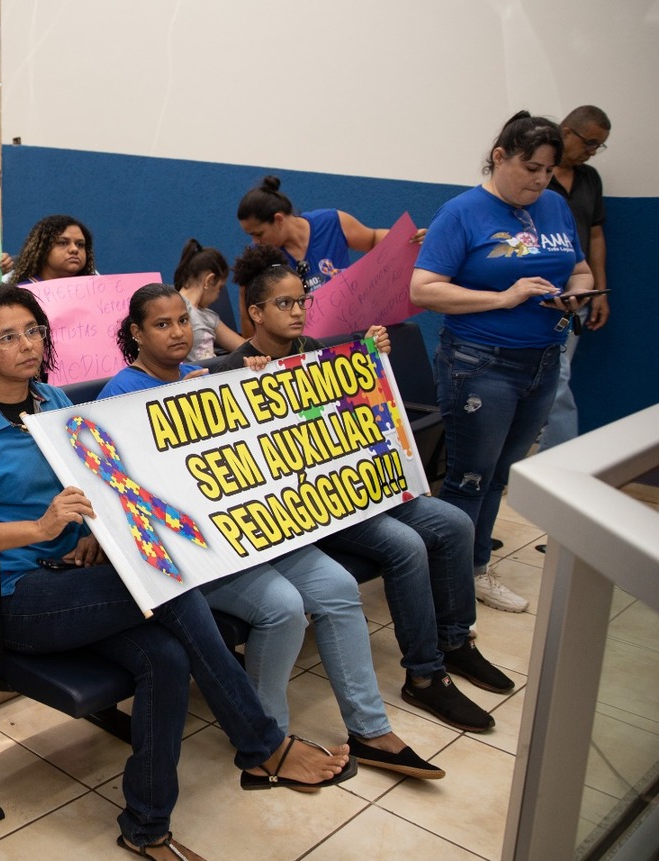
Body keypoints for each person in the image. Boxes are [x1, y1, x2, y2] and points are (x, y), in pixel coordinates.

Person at [0, 281, 353, 857]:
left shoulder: (53, 403)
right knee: (171, 587)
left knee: (166, 657)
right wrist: (41, 529)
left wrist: (95, 535)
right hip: (14, 598)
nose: (25, 344)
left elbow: (99, 485)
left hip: (76, 576)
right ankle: (261, 744)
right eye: (6, 337)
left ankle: (146, 827)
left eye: (32, 330)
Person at [100, 283, 452, 773]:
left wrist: (256, 389)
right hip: (195, 551)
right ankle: (269, 741)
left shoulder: (201, 375)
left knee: (339, 586)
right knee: (283, 606)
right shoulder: (118, 395)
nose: (178, 332)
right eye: (162, 324)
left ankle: (371, 730)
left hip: (251, 529)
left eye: (183, 320)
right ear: (137, 333)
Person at [215, 246, 513, 728]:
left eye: (301, 302)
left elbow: (358, 418)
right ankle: (424, 675)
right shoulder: (231, 371)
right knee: (406, 545)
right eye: (283, 304)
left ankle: (455, 641)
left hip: (360, 488)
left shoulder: (317, 354)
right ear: (254, 312)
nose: (297, 312)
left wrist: (372, 360)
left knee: (455, 523)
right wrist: (246, 392)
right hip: (310, 507)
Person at [411, 111, 594, 614]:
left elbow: (578, 268)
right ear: (500, 157)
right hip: (480, 362)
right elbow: (423, 289)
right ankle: (445, 585)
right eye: (530, 167)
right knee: (468, 476)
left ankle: (472, 568)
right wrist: (503, 297)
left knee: (497, 476)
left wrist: (577, 295)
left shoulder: (554, 206)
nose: (540, 180)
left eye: (548, 170)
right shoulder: (463, 212)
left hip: (542, 361)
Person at [235, 176, 421, 327]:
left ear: (278, 219)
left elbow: (373, 239)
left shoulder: (332, 222)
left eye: (258, 234)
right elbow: (248, 316)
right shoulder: (257, 258)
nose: (255, 242)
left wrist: (414, 239)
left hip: (352, 329)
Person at [537, 105, 611, 456]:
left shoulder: (589, 178)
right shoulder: (535, 177)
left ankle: (546, 459)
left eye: (599, 146)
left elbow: (595, 236)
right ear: (566, 132)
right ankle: (561, 462)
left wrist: (598, 289)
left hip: (578, 294)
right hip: (541, 295)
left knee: (556, 377)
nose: (592, 151)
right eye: (590, 142)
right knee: (558, 378)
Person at [172, 238, 243, 360]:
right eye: (219, 288)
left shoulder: (209, 316)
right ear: (209, 280)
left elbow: (244, 347)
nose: (218, 296)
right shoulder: (173, 308)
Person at [11, 214, 95, 284]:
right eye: (63, 243)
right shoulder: (21, 294)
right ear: (43, 249)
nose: (74, 249)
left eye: (80, 245)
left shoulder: (95, 290)